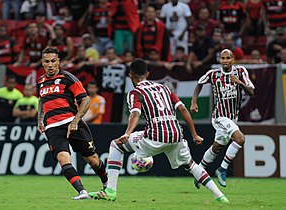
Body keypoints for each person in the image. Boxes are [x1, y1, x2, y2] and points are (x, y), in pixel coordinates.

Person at [89, 58, 229, 204]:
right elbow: (182, 109)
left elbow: (135, 113)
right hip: (176, 134)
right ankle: (220, 196)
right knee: (191, 164)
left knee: (116, 145)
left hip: (155, 136)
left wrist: (128, 133)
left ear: (130, 75)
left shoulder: (135, 93)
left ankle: (110, 191)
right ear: (147, 74)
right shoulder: (165, 88)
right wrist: (194, 134)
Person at [37, 46, 108, 200]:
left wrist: (75, 121)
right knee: (63, 158)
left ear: (58, 62)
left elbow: (85, 99)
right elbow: (41, 100)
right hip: (53, 127)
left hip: (72, 123)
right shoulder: (41, 81)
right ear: (42, 63)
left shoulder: (68, 78)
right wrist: (40, 119)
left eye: (53, 61)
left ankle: (106, 184)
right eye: (47, 61)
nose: (50, 64)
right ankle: (82, 192)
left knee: (93, 160)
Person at [190, 49, 255, 188]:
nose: (225, 61)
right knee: (240, 139)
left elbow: (251, 92)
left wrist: (239, 83)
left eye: (228, 58)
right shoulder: (213, 74)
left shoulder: (241, 72)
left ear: (233, 60)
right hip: (219, 116)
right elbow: (199, 83)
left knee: (217, 147)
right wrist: (194, 101)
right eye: (223, 58)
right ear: (220, 60)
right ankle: (222, 168)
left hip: (233, 118)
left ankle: (199, 172)